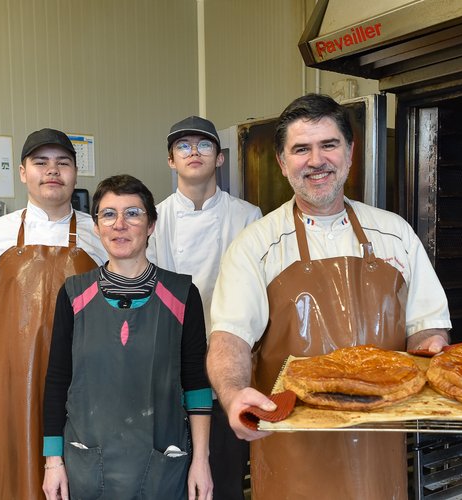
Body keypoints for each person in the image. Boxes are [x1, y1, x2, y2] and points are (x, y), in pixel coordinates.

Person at [206, 94, 452, 500]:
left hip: (380, 443)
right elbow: (229, 338)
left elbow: (426, 325)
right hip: (293, 451)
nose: (316, 160)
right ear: (283, 164)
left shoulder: (396, 234)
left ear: (350, 153)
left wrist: (433, 348)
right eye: (301, 149)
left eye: (329, 145)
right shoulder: (256, 246)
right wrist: (232, 395)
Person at [0, 128, 107, 499]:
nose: (52, 171)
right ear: (23, 172)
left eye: (63, 163)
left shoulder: (100, 233)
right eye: (40, 163)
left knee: (84, 473)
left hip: (84, 384)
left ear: (75, 173)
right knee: (12, 474)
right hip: (10, 385)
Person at [42, 174, 213, 500]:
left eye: (133, 213)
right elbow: (57, 382)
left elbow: (196, 384)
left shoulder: (181, 295)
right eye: (108, 214)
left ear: (150, 225)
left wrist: (201, 460)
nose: (119, 224)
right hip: (89, 463)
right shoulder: (74, 295)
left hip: (163, 462)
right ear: (97, 226)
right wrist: (53, 461)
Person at [147, 115, 261, 499]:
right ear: (170, 161)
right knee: (171, 478)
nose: (193, 153)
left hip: (229, 369)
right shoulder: (153, 220)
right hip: (169, 370)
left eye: (204, 145)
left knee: (225, 477)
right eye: (183, 146)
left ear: (220, 158)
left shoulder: (248, 217)